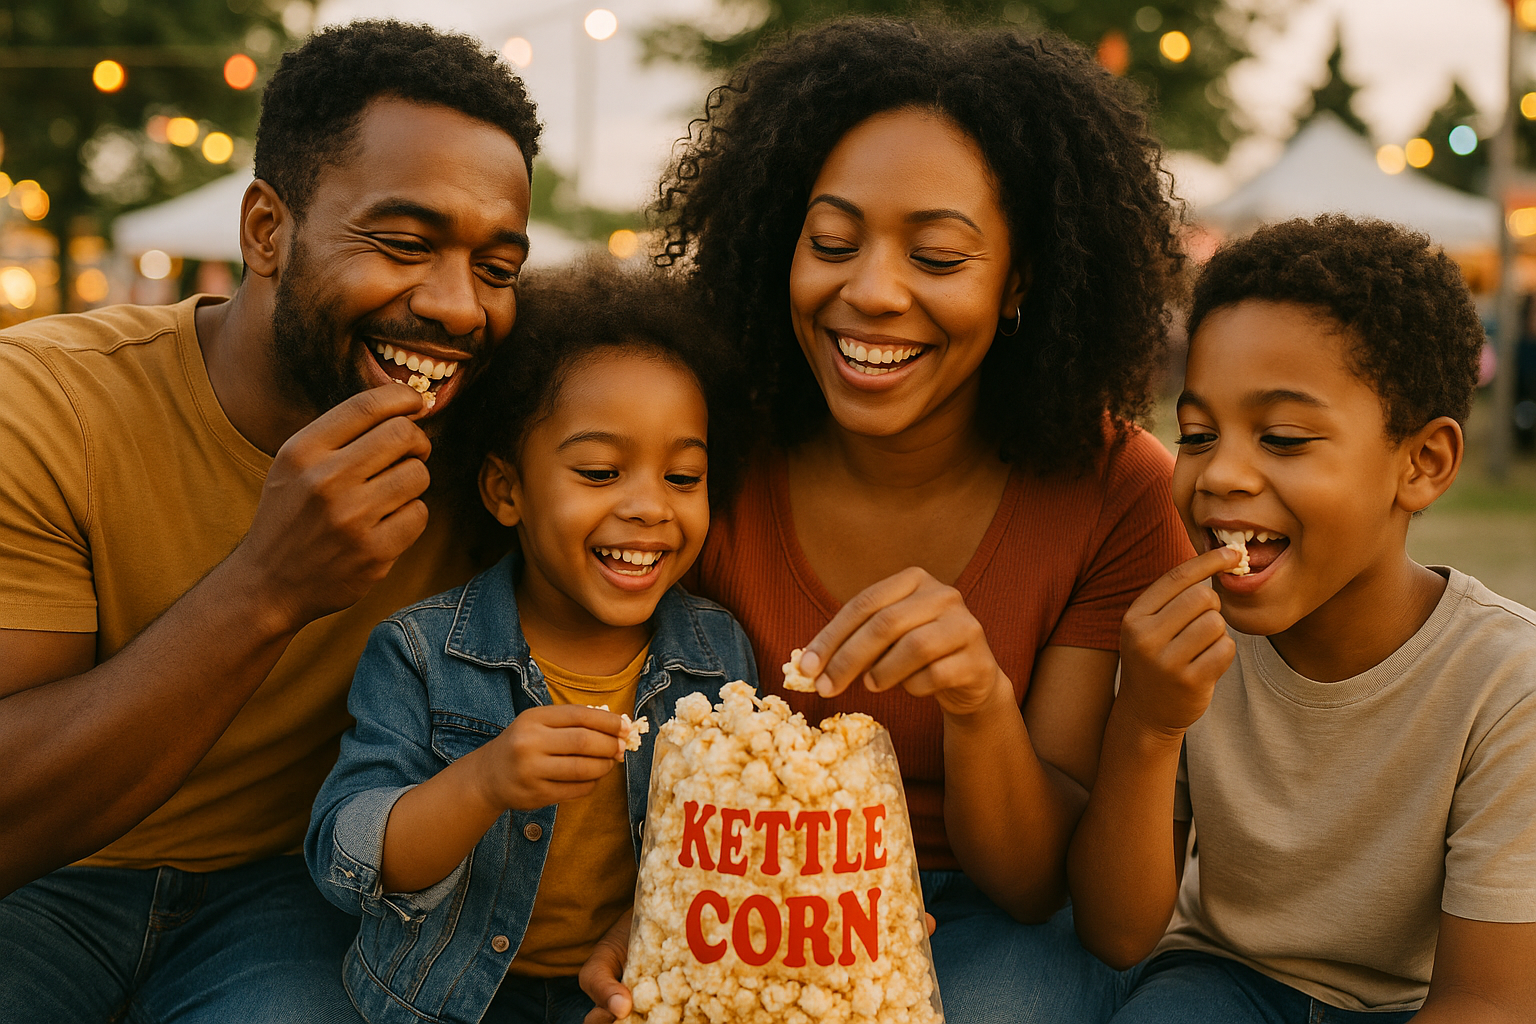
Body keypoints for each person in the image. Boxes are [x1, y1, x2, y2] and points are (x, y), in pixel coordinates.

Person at [583, 17, 1193, 1024]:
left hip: (999, 921)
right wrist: (663, 907)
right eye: (830, 243)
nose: (868, 292)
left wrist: (976, 698)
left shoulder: (1116, 488)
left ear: (1021, 282)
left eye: (940, 259)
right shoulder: (701, 454)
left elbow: (1037, 881)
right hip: (748, 903)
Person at [0, 21, 540, 1023]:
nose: (461, 308)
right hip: (45, 885)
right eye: (405, 244)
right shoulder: (46, 405)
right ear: (265, 231)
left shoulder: (498, 449)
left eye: (497, 266)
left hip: (282, 893)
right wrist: (270, 585)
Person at [1070, 215, 1536, 1022]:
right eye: (1198, 433)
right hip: (1221, 981)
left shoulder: (1507, 685)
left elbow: (1486, 999)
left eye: (1282, 437)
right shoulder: (1185, 645)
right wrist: (1147, 723)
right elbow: (1117, 935)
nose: (1221, 474)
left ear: (1422, 464)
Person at [306, 262, 758, 1024]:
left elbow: (733, 854)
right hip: (444, 1001)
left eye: (684, 476)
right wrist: (483, 783)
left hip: (634, 989)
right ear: (505, 490)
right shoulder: (420, 652)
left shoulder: (720, 657)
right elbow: (346, 853)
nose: (649, 506)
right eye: (600, 471)